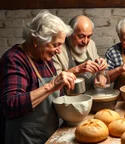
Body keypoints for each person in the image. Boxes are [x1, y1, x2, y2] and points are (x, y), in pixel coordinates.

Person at [0, 10, 75, 144]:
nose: (59, 50)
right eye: (55, 44)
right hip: (25, 138)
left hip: (48, 133)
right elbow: (9, 106)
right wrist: (51, 86)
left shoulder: (45, 58)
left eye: (61, 45)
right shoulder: (14, 59)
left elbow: (55, 97)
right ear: (36, 40)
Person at [52, 15, 108, 91]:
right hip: (69, 98)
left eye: (89, 36)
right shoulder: (58, 49)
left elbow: (99, 71)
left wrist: (101, 73)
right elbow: (54, 82)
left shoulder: (91, 44)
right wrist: (78, 69)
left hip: (91, 96)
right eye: (81, 36)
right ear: (70, 33)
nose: (85, 41)